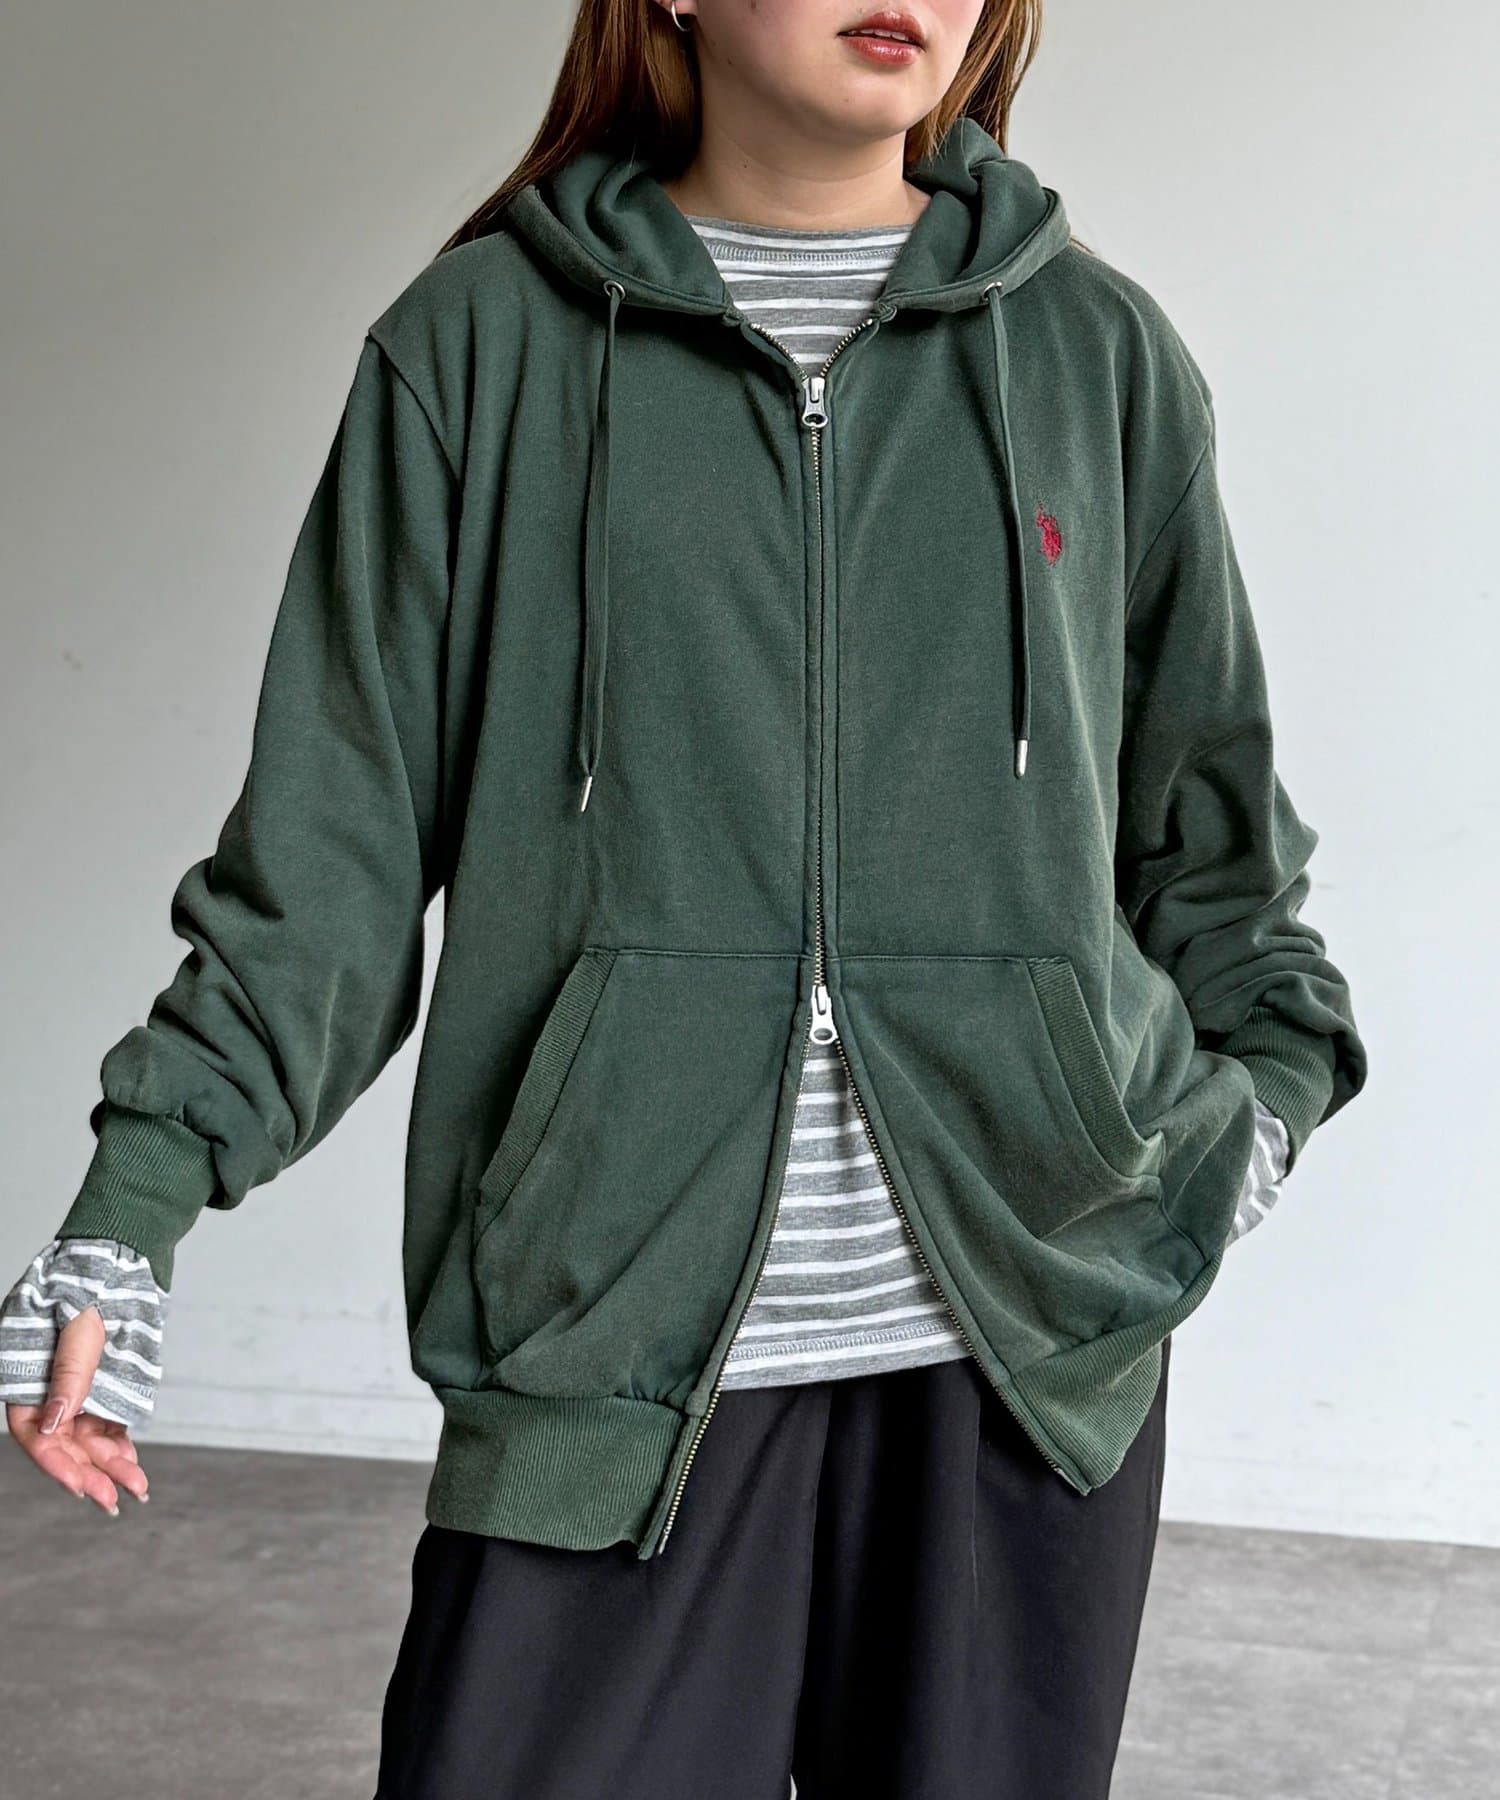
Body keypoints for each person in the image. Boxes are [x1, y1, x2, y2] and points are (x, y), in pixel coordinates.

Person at [2, 1, 1368, 1793]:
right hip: (604, 1346)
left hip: (1027, 1356)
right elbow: (326, 867)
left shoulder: (1095, 355)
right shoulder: (477, 349)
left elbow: (1216, 845)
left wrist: (1251, 1115)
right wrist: (133, 1209)